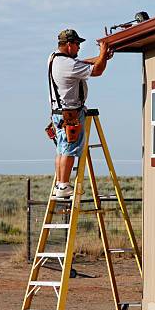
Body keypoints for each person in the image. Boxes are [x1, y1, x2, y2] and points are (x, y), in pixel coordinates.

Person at [48, 29, 112, 197]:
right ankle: (63, 186)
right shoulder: (68, 64)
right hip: (71, 113)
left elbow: (82, 63)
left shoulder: (55, 59)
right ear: (69, 45)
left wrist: (101, 58)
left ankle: (60, 184)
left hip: (59, 112)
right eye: (77, 44)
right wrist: (102, 54)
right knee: (70, 148)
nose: (79, 48)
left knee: (62, 149)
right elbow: (97, 71)